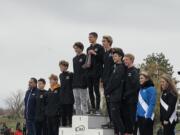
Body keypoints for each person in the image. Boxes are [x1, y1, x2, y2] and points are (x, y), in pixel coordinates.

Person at [105, 48, 126, 135]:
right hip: (112, 95)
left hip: (116, 96)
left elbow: (115, 83)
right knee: (114, 118)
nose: (114, 57)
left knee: (116, 117)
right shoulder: (115, 66)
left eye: (116, 56)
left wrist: (107, 91)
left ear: (120, 57)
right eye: (113, 56)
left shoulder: (121, 68)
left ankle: (123, 132)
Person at [86, 32, 105, 114]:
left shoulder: (100, 47)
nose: (89, 38)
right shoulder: (88, 48)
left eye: (91, 37)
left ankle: (97, 108)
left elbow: (102, 59)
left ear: (95, 38)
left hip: (97, 72)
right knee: (90, 90)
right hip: (89, 72)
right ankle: (92, 108)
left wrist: (95, 53)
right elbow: (87, 60)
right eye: (89, 37)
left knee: (96, 90)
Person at [122, 54, 140, 135]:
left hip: (132, 100)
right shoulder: (125, 70)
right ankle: (127, 132)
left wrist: (126, 94)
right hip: (125, 100)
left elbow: (136, 87)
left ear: (131, 60)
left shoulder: (134, 71)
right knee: (126, 117)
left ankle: (133, 132)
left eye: (126, 60)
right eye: (124, 60)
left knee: (132, 118)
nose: (125, 61)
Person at [101, 35, 114, 128]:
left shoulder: (113, 52)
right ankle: (110, 121)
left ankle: (114, 121)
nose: (103, 43)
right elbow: (104, 68)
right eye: (102, 41)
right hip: (105, 81)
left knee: (112, 101)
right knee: (107, 101)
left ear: (109, 42)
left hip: (112, 81)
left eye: (104, 41)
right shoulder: (104, 54)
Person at [72, 42, 88, 115]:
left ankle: (85, 114)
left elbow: (87, 68)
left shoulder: (85, 56)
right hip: (75, 82)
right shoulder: (74, 59)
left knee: (83, 100)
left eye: (77, 48)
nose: (75, 49)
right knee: (76, 101)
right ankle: (78, 116)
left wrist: (85, 80)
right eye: (74, 48)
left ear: (81, 48)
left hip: (83, 82)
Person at [59, 60, 74, 127]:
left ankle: (71, 125)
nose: (60, 68)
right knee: (63, 114)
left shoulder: (71, 74)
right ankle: (63, 127)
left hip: (69, 98)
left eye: (61, 66)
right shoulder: (60, 75)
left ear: (66, 67)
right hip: (62, 98)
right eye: (60, 67)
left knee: (69, 114)